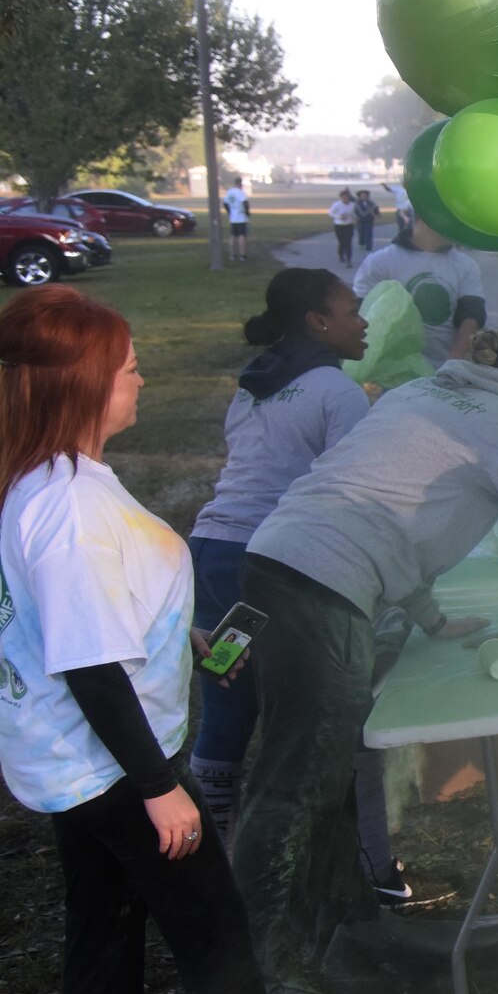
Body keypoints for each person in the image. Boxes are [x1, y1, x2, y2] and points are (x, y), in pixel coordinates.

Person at [0, 285, 391, 994]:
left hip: (67, 759)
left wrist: (183, 636)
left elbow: (92, 619)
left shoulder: (51, 477)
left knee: (101, 923)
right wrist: (162, 787)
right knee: (216, 936)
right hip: (113, 764)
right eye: (128, 369)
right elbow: (88, 665)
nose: (140, 380)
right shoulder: (74, 511)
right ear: (85, 384)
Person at [239, 327, 498, 994]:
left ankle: (343, 926)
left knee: (323, 774)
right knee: (291, 787)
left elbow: (389, 508)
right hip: (324, 591)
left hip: (274, 562)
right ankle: (257, 980)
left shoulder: (422, 389)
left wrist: (431, 619)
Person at [188, 270, 370, 856]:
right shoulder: (336, 391)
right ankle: (312, 856)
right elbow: (352, 490)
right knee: (304, 710)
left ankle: (208, 846)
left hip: (216, 556)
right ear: (319, 322)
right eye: (352, 310)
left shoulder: (253, 385)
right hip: (273, 567)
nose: (363, 321)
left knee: (226, 688)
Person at [353, 216, 485, 368]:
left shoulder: (465, 265)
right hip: (388, 370)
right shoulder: (380, 262)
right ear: (422, 218)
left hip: (443, 366)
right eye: (450, 221)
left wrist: (456, 358)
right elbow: (359, 314)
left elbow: (472, 314)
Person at [222, 175, 250, 263]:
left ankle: (232, 255)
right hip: (241, 217)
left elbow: (225, 204)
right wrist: (247, 212)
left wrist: (230, 212)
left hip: (233, 218)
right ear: (240, 184)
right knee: (242, 236)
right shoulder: (240, 192)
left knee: (233, 236)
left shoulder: (230, 192)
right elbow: (245, 203)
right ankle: (242, 255)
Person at [328, 188, 358, 267]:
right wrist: (339, 217)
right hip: (339, 225)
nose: (345, 198)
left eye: (347, 197)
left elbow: (354, 214)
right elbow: (330, 213)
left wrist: (355, 218)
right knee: (342, 242)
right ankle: (341, 255)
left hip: (349, 225)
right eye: (344, 197)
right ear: (341, 197)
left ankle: (349, 260)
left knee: (348, 242)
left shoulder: (352, 205)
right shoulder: (337, 204)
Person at [353, 190, 380, 256]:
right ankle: (361, 243)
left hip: (369, 221)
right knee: (361, 233)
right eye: (362, 195)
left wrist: (376, 215)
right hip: (360, 221)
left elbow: (376, 211)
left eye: (365, 195)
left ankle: (369, 248)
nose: (364, 196)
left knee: (369, 234)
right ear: (359, 196)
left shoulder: (372, 204)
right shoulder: (357, 204)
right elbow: (354, 212)